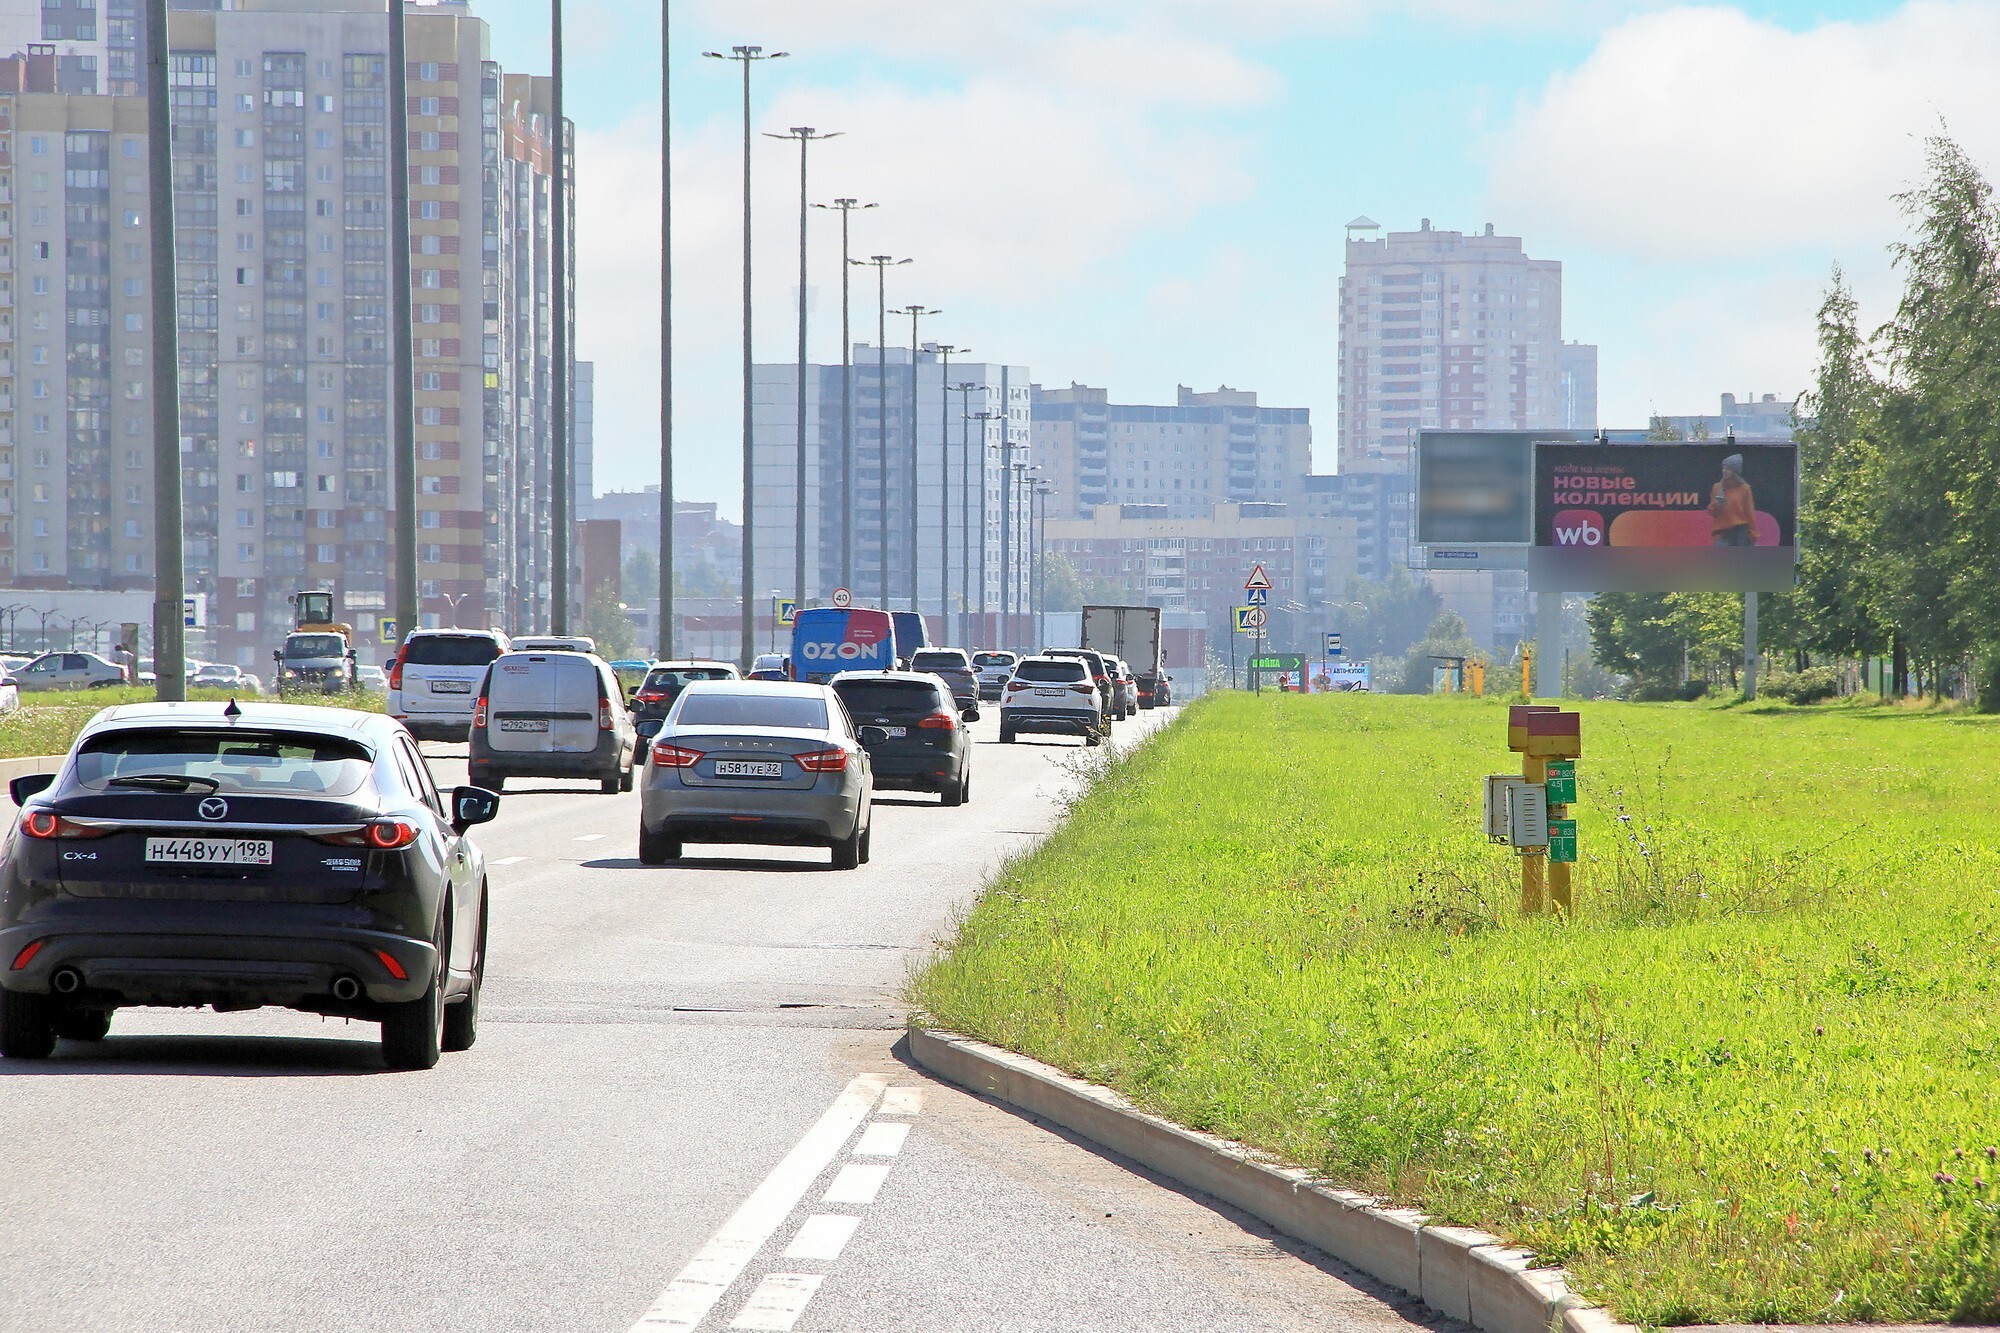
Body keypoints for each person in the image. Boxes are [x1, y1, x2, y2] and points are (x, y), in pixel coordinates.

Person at [1709, 453, 1757, 547]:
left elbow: (1749, 512)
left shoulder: (1744, 488)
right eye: (1723, 468)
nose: (1724, 471)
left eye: (1728, 468)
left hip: (1740, 533)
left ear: (1735, 471)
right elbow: (1711, 512)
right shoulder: (1717, 487)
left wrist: (1752, 534)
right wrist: (1718, 503)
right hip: (1722, 533)